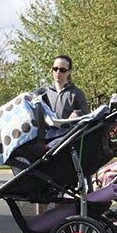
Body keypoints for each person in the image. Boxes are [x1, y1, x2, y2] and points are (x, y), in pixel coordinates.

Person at [36, 54, 89, 213]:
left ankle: (62, 223)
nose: (58, 72)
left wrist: (77, 114)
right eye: (55, 69)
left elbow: (86, 116)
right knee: (42, 187)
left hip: (67, 145)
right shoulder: (42, 92)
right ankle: (41, 224)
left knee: (65, 188)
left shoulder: (76, 94)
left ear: (69, 72)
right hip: (46, 146)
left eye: (62, 69)